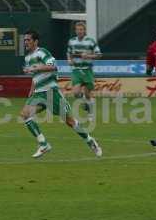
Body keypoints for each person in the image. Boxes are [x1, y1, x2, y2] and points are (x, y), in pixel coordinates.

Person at [20, 30, 102, 158]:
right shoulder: (27, 58)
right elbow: (35, 76)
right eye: (25, 40)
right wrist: (31, 90)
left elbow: (53, 66)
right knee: (25, 114)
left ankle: (89, 140)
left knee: (69, 121)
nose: (26, 42)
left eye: (28, 40)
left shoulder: (42, 52)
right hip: (39, 93)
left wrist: (36, 68)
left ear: (35, 41)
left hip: (52, 92)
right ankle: (43, 144)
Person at [67, 21, 102, 121]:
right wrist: (69, 60)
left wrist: (88, 56)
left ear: (84, 30)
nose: (79, 31)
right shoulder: (71, 41)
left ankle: (90, 113)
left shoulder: (90, 41)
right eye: (78, 29)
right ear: (75, 30)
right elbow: (69, 53)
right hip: (76, 70)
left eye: (81, 29)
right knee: (76, 92)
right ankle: (87, 104)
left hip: (87, 70)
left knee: (87, 94)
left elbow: (99, 55)